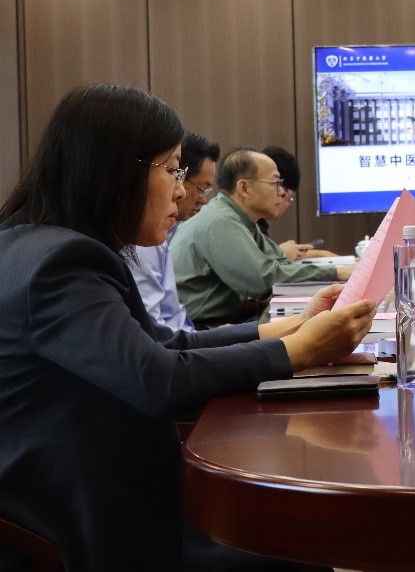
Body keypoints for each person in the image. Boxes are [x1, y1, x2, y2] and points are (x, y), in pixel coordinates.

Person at [0, 83, 375, 571]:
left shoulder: (38, 244)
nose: (181, 190)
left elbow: (164, 343)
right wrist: (298, 352)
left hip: (102, 500)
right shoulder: (63, 263)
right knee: (305, 550)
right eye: (172, 169)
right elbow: (158, 379)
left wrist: (288, 330)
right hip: (90, 527)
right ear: (116, 170)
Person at [173, 148, 354, 329]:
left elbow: (279, 262)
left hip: (225, 320)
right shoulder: (220, 221)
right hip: (201, 329)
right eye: (275, 183)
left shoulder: (239, 218)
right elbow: (264, 280)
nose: (280, 191)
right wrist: (336, 272)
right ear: (244, 188)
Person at [128, 132, 220, 332]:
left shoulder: (165, 231)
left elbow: (171, 316)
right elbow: (152, 328)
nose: (203, 200)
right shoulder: (143, 240)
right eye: (173, 172)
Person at [260, 145, 336, 260]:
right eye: (287, 198)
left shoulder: (257, 225)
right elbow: (260, 266)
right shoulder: (238, 224)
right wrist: (282, 254)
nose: (280, 197)